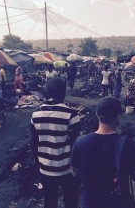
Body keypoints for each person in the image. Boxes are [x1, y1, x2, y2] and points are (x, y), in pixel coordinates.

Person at [71, 96, 135, 208]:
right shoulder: (127, 144)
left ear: (97, 115)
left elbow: (75, 172)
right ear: (118, 117)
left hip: (91, 203)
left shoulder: (80, 142)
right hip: (118, 203)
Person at [31, 77, 81, 208]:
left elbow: (34, 143)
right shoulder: (72, 114)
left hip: (45, 167)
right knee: (70, 200)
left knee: (49, 201)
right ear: (64, 92)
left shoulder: (36, 114)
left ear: (47, 91)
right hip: (66, 168)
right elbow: (75, 144)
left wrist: (38, 163)